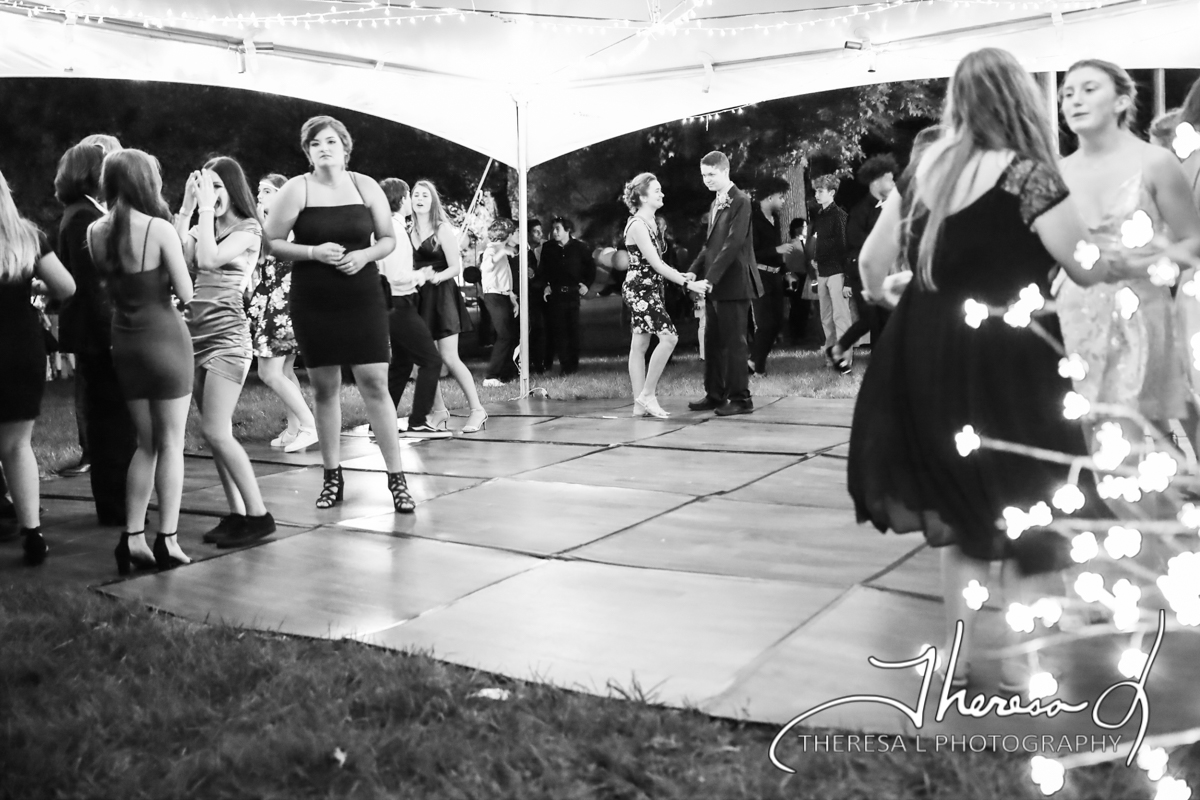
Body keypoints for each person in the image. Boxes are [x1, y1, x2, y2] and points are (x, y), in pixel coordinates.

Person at [848, 47, 1150, 695]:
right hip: (1010, 359)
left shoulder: (923, 171)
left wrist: (900, 297)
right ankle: (1022, 663)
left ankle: (956, 659)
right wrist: (1131, 253)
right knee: (1031, 500)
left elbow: (872, 266)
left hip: (926, 355)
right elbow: (1085, 266)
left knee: (960, 506)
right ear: (1020, 99)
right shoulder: (1027, 177)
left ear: (959, 101)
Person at [263, 115, 415, 513]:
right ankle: (332, 476)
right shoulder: (297, 189)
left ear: (345, 147)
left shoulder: (365, 185)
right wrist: (313, 252)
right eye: (315, 144)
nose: (324, 148)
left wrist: (364, 255)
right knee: (325, 387)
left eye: (330, 141)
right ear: (307, 151)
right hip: (314, 297)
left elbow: (387, 238)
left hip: (361, 293)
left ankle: (397, 479)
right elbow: (271, 242)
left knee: (375, 383)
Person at [1055, 59, 1200, 462]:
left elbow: (1193, 242)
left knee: (1130, 431)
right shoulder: (1058, 171)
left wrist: (1143, 265)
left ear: (1121, 101)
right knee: (1087, 431)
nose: (1075, 100)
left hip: (1138, 309)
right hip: (1075, 309)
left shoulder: (1155, 162)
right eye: (1067, 93)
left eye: (1089, 89)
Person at [87, 149, 194, 573]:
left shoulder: (95, 231)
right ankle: (168, 539)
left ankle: (132, 537)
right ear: (145, 181)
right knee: (171, 444)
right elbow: (185, 292)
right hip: (164, 338)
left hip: (125, 340)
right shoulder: (158, 229)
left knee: (145, 443)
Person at [175, 156, 277, 548]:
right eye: (206, 185)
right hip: (195, 336)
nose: (211, 193)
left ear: (233, 189)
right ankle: (237, 513)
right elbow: (178, 259)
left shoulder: (249, 229)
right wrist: (187, 208)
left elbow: (206, 259)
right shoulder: (205, 224)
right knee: (215, 434)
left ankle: (259, 516)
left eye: (217, 186)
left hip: (228, 339)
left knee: (215, 431)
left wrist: (202, 211)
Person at [54, 141, 137, 526]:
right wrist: (113, 335)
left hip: (92, 333)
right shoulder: (82, 217)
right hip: (98, 335)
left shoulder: (80, 211)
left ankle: (118, 499)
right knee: (111, 422)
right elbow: (92, 287)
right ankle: (116, 504)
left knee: (109, 419)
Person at [0, 168, 76, 566]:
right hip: (19, 347)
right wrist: (32, 285)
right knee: (17, 445)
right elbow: (66, 287)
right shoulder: (27, 238)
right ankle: (32, 534)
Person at [621, 173, 710, 418]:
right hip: (640, 290)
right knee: (669, 338)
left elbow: (658, 264)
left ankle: (639, 406)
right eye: (657, 190)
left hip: (650, 288)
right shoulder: (638, 225)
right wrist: (687, 283)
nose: (662, 194)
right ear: (642, 197)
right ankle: (647, 395)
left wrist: (682, 275)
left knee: (640, 345)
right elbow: (656, 265)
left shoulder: (651, 222)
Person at [686, 151, 762, 416]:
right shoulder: (715, 202)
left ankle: (741, 398)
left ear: (725, 171)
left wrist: (710, 278)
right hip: (715, 285)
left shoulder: (741, 200)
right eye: (703, 175)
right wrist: (693, 272)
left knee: (734, 344)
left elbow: (734, 243)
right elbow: (710, 246)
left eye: (711, 174)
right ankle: (715, 394)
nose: (706, 179)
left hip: (734, 282)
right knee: (713, 343)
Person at [410, 179, 488, 433]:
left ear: (433, 201)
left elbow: (456, 267)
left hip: (442, 295)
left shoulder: (441, 229)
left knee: (449, 357)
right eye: (416, 195)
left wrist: (436, 276)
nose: (420, 199)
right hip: (419, 298)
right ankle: (439, 411)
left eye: (425, 195)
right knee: (424, 360)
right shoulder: (408, 231)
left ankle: (477, 410)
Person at [250, 173, 318, 453]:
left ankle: (309, 425)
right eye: (259, 190)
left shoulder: (287, 224)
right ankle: (294, 429)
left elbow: (272, 254)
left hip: (284, 305)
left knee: (269, 372)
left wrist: (260, 226)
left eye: (267, 191)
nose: (260, 196)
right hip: (276, 302)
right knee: (285, 370)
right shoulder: (271, 224)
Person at [377, 178, 449, 438]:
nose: (412, 200)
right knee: (431, 361)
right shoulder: (395, 231)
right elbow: (396, 276)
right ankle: (418, 421)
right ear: (402, 199)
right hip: (400, 303)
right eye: (410, 195)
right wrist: (422, 275)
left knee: (402, 364)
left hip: (392, 304)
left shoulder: (385, 227)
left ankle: (380, 423)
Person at [831, 154, 899, 372]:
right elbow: (855, 240)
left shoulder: (890, 207)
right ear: (876, 182)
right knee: (871, 320)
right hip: (862, 273)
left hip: (883, 272)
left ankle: (881, 364)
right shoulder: (861, 210)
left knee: (884, 319)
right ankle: (839, 350)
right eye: (889, 179)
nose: (893, 183)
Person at [537, 216, 595, 375]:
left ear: (567, 230)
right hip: (556, 294)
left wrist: (586, 284)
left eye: (558, 229)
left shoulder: (580, 247)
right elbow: (543, 270)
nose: (555, 232)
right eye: (553, 229)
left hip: (573, 293)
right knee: (559, 330)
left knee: (573, 329)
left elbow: (590, 268)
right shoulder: (548, 248)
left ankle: (573, 364)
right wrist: (545, 286)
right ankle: (565, 365)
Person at [748, 175, 794, 376]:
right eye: (780, 197)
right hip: (759, 276)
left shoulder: (775, 219)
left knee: (777, 323)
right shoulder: (752, 219)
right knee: (765, 324)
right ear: (769, 197)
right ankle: (758, 368)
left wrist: (786, 271)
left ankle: (753, 361)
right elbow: (752, 252)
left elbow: (776, 253)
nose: (783, 201)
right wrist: (777, 249)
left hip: (775, 276)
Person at [807, 174, 852, 371]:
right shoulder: (820, 215)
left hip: (837, 272)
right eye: (816, 191)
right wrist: (816, 258)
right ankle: (831, 358)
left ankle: (845, 360)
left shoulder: (839, 215)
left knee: (840, 318)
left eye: (820, 191)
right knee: (826, 318)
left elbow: (845, 248)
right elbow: (822, 242)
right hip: (823, 271)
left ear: (832, 193)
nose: (816, 194)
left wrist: (848, 280)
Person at [479, 218, 520, 387]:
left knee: (509, 335)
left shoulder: (501, 249)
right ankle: (491, 376)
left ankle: (505, 374)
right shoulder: (492, 249)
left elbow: (504, 277)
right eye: (515, 232)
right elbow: (486, 267)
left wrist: (512, 298)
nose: (518, 235)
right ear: (507, 234)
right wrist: (502, 252)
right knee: (504, 335)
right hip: (494, 296)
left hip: (503, 296)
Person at [782, 217, 814, 345]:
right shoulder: (792, 245)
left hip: (806, 277)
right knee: (797, 307)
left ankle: (801, 334)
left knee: (804, 307)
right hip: (796, 278)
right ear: (797, 229)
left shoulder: (806, 243)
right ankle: (795, 335)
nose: (806, 229)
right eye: (804, 226)